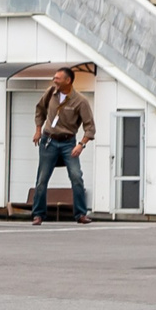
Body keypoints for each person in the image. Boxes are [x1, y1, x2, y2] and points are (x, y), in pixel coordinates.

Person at [29, 66, 95, 224]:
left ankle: (80, 214)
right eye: (54, 78)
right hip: (49, 141)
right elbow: (40, 110)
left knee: (76, 176)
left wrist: (81, 145)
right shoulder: (50, 93)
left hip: (68, 143)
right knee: (42, 179)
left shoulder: (80, 101)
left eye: (57, 78)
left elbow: (90, 127)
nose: (54, 81)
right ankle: (38, 214)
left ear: (68, 80)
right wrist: (38, 130)